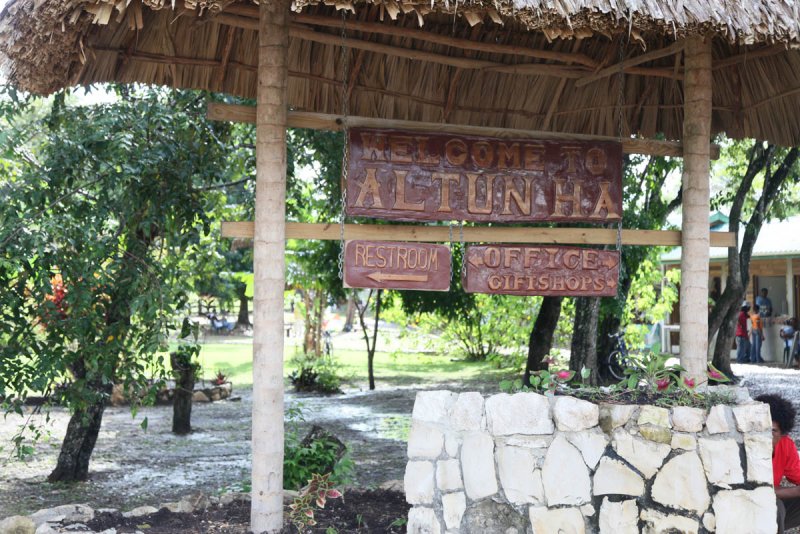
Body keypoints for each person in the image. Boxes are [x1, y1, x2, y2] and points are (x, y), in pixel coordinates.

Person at [755, 394, 800, 533]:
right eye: (763, 429)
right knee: (775, 506)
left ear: (782, 434)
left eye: (773, 431)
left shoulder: (785, 445)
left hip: (774, 511)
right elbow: (753, 493)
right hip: (745, 509)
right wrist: (792, 491)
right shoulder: (743, 446)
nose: (766, 436)